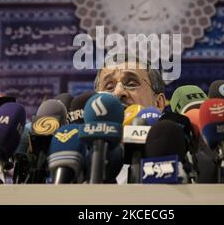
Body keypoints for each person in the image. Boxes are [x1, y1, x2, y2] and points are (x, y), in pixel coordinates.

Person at [93, 54, 217, 184]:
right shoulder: (83, 163)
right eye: (109, 87)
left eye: (131, 83)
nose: (118, 93)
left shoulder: (195, 163)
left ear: (158, 103)